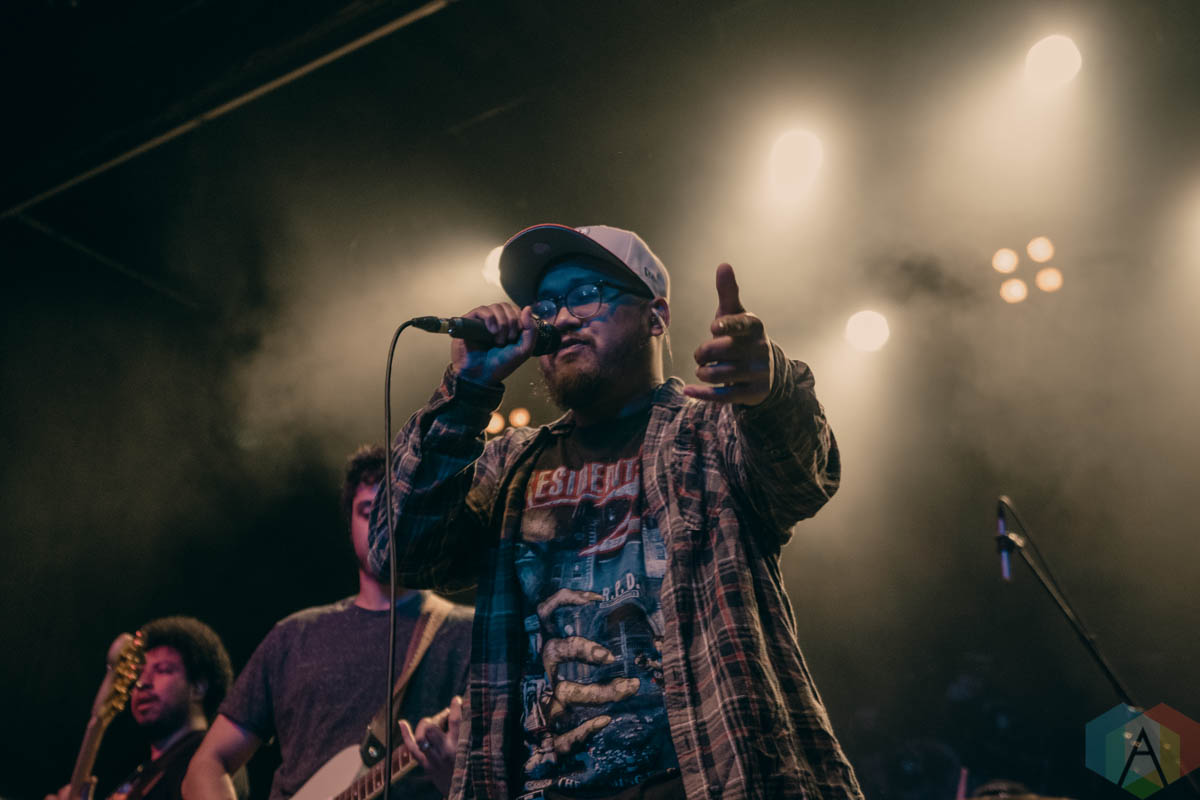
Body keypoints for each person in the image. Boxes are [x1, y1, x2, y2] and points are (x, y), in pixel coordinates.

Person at [367, 223, 864, 799]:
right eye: (545, 306)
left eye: (586, 295)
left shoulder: (708, 432)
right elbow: (397, 552)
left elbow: (804, 480)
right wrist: (466, 392)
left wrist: (771, 390)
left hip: (705, 779)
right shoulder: (509, 465)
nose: (561, 319)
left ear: (656, 316)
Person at [183, 445, 473, 800]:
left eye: (397, 510)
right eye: (368, 512)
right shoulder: (294, 636)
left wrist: (456, 782)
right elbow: (206, 764)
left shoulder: (470, 634)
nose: (384, 526)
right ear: (349, 525)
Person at [46, 616, 248, 800]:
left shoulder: (212, 759)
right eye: (138, 673)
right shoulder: (143, 774)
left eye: (162, 670)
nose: (143, 682)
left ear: (198, 688)